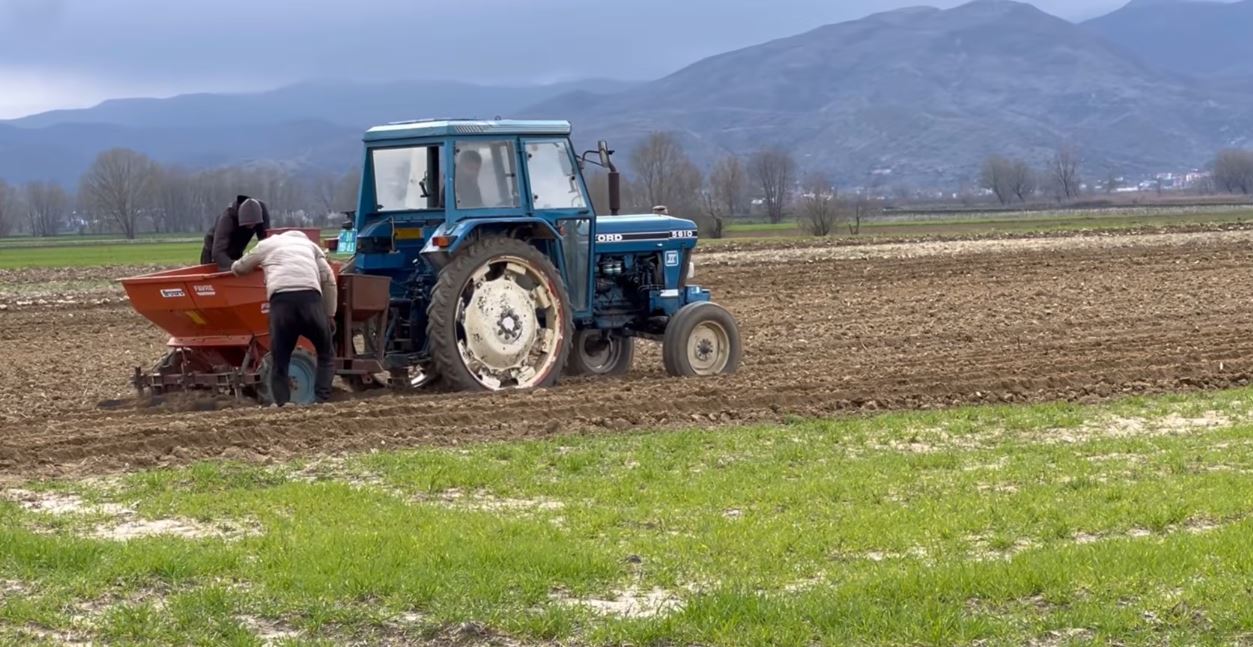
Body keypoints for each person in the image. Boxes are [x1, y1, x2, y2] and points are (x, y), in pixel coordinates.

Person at [231, 231, 338, 406]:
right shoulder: (311, 246)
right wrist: (329, 315)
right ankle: (321, 400)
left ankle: (283, 404)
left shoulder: (266, 245)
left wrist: (239, 265)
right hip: (311, 301)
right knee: (326, 353)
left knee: (280, 359)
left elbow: (239, 268)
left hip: (281, 304)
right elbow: (329, 279)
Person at [200, 195, 270, 270]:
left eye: (254, 224)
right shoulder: (227, 219)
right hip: (214, 251)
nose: (252, 226)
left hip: (237, 250)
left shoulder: (261, 213)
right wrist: (236, 266)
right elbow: (218, 253)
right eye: (248, 225)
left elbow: (265, 243)